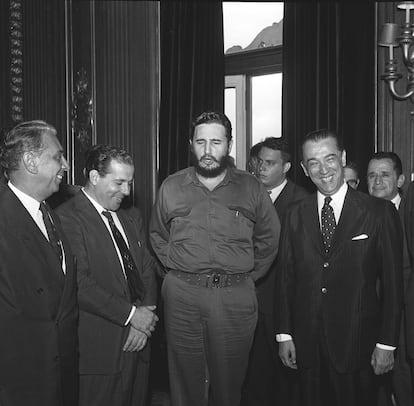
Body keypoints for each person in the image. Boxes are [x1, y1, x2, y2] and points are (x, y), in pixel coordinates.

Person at [150, 111, 280, 406]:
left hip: (234, 295)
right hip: (182, 294)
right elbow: (157, 235)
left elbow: (269, 240)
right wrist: (177, 268)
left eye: (216, 142)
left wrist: (244, 276)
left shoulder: (251, 187)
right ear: (191, 144)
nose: (208, 151)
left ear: (229, 145)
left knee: (229, 384)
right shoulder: (171, 186)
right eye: (201, 142)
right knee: (184, 382)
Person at [276, 129, 403, 406]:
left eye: (330, 159)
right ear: (304, 169)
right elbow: (286, 277)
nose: (323, 170)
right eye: (313, 163)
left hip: (357, 346)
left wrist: (387, 344)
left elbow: (394, 285)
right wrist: (284, 334)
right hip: (307, 345)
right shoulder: (294, 214)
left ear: (343, 158)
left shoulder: (379, 212)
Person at [56, 145, 159, 406]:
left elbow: (146, 268)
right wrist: (133, 316)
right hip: (100, 349)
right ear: (93, 178)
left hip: (139, 344)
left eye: (130, 183)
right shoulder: (67, 217)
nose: (126, 191)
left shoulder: (131, 216)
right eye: (119, 182)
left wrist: (144, 317)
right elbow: (80, 283)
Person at [0, 120, 78, 406]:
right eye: (58, 156)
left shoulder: (48, 212)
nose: (66, 164)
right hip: (19, 384)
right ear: (31, 161)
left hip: (57, 376)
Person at [242, 137, 308, 406]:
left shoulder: (302, 202)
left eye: (269, 163)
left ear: (287, 167)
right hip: (247, 299)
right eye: (259, 162)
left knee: (283, 381)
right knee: (251, 375)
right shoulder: (244, 195)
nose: (261, 168)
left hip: (282, 306)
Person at [367, 152, 413, 406]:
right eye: (372, 175)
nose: (377, 181)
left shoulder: (408, 215)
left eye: (385, 175)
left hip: (405, 327)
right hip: (368, 324)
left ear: (401, 179)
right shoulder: (360, 214)